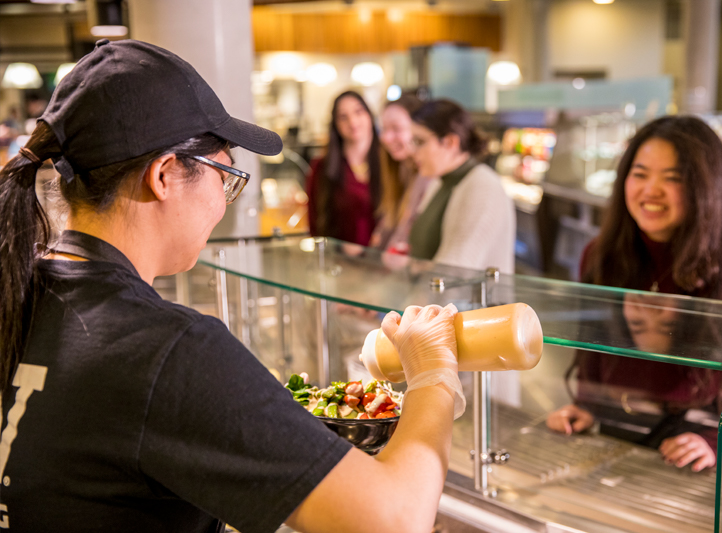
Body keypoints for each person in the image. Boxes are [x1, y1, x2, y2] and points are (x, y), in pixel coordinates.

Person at [0, 39, 464, 533]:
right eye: (223, 176)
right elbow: (397, 519)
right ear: (164, 174)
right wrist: (433, 374)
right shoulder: (166, 349)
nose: (223, 205)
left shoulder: (23, 292)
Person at [547, 115, 722, 472]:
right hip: (615, 423)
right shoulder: (600, 255)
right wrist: (585, 405)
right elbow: (591, 343)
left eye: (673, 178)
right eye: (640, 174)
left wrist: (717, 441)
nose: (650, 190)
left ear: (705, 189)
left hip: (693, 439)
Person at [408, 99, 515, 273]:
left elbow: (454, 274)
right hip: (433, 298)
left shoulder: (483, 186)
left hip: (469, 300)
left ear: (450, 142)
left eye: (419, 142)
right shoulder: (439, 182)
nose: (412, 151)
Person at [305, 90, 382, 246]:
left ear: (369, 115)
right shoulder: (322, 167)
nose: (352, 122)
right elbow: (314, 221)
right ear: (335, 124)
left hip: (386, 262)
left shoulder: (390, 164)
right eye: (343, 117)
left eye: (358, 112)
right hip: (340, 262)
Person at [371, 94, 429, 254]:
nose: (386, 138)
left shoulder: (429, 179)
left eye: (396, 129)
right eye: (383, 129)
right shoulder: (399, 171)